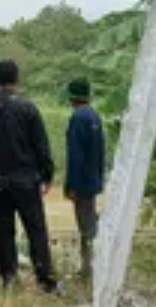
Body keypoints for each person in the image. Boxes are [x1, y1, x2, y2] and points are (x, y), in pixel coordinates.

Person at [0, 59, 58, 293]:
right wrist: (47, 174)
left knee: (4, 232)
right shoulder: (28, 107)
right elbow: (41, 145)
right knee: (36, 229)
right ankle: (45, 279)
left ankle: (9, 278)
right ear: (17, 78)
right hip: (26, 179)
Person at [63, 78, 106, 281]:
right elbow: (100, 153)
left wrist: (71, 185)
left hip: (81, 183)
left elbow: (75, 156)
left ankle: (90, 269)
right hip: (93, 181)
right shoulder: (95, 116)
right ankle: (90, 267)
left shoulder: (77, 118)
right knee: (90, 222)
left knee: (86, 227)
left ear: (72, 97)